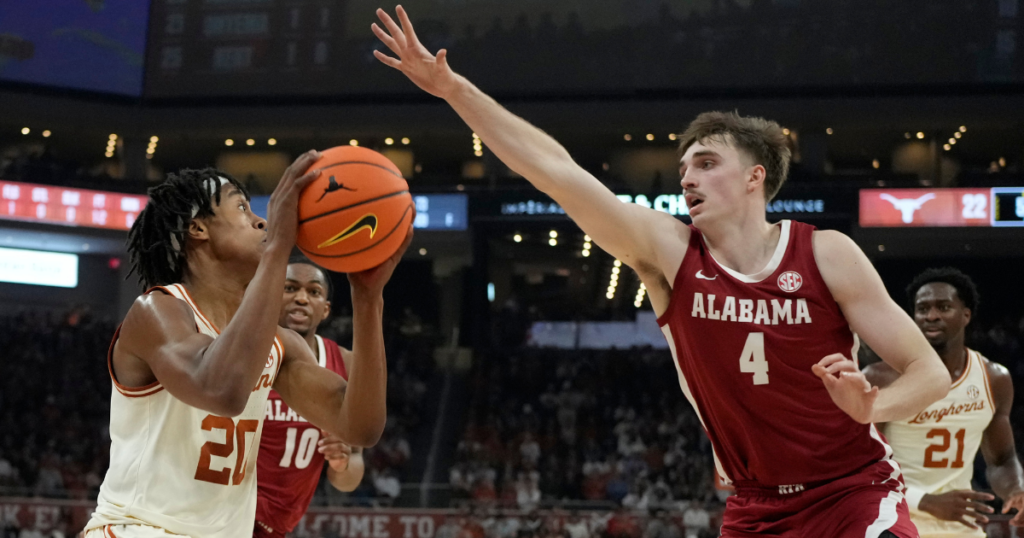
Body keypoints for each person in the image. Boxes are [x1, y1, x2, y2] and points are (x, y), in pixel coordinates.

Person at [370, 8, 950, 536]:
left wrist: (873, 407)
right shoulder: (671, 251)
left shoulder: (827, 254)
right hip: (755, 505)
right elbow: (557, 172)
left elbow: (928, 372)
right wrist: (453, 89)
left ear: (755, 177)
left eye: (706, 163)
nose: (687, 178)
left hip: (853, 490)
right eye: (683, 168)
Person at [82, 154, 411, 537]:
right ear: (197, 228)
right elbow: (220, 390)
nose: (261, 220)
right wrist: (277, 251)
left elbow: (360, 427)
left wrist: (369, 300)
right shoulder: (157, 312)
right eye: (241, 207)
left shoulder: (278, 343)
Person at [864, 268, 1024, 536]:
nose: (931, 315)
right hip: (894, 521)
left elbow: (1002, 460)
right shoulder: (882, 376)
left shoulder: (993, 378)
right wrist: (925, 501)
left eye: (943, 307)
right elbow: (859, 463)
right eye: (922, 308)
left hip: (961, 524)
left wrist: (1016, 490)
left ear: (966, 315)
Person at [254, 256, 368, 538]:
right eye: (290, 288)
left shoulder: (346, 364)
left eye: (313, 292)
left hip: (278, 523)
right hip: (227, 509)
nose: (301, 298)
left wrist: (342, 463)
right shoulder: (246, 352)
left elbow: (350, 476)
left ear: (326, 309)